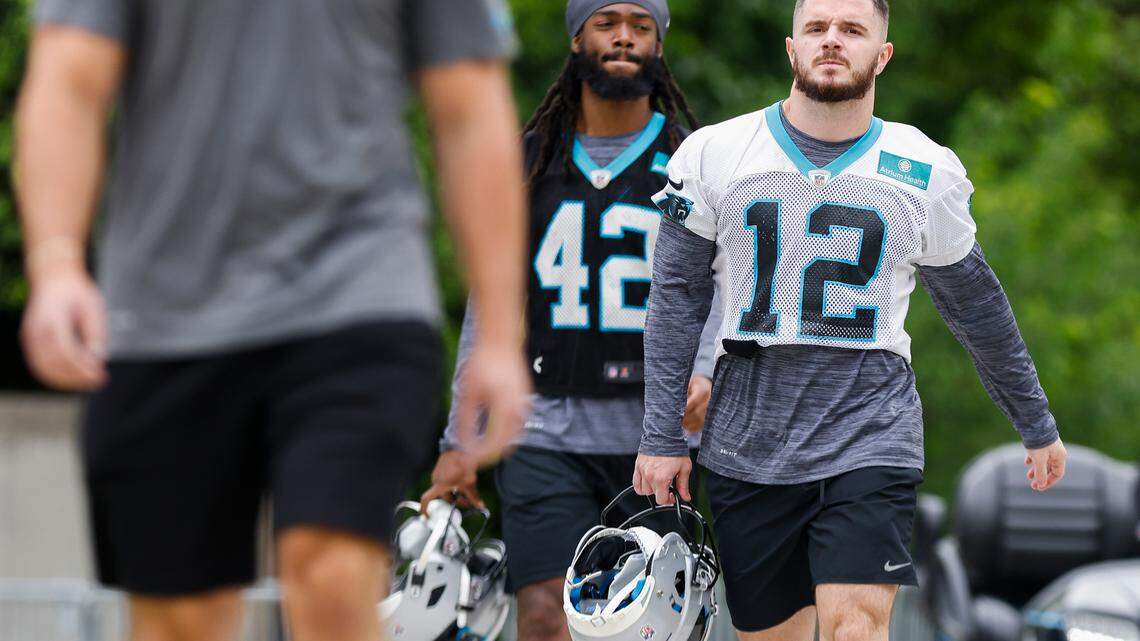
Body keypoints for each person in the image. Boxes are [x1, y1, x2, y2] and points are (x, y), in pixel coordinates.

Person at [15, 2, 530, 641]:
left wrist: (502, 334)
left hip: (358, 286)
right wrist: (57, 263)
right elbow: (68, 76)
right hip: (165, 310)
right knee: (182, 621)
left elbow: (469, 104)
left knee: (332, 575)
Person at [633, 0, 1069, 640]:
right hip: (748, 437)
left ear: (882, 54)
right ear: (792, 48)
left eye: (852, 30)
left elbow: (975, 304)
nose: (832, 41)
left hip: (872, 428)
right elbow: (675, 297)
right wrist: (661, 435)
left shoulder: (923, 169)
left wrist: (1035, 421)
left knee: (855, 628)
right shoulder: (713, 155)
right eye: (817, 28)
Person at [420, 3, 718, 641]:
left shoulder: (694, 160)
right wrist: (459, 442)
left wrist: (704, 370)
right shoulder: (529, 159)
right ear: (577, 36)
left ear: (659, 47)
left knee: (640, 626)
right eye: (607, 21)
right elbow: (489, 304)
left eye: (642, 26)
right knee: (546, 612)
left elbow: (723, 278)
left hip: (655, 438)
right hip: (544, 428)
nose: (624, 38)